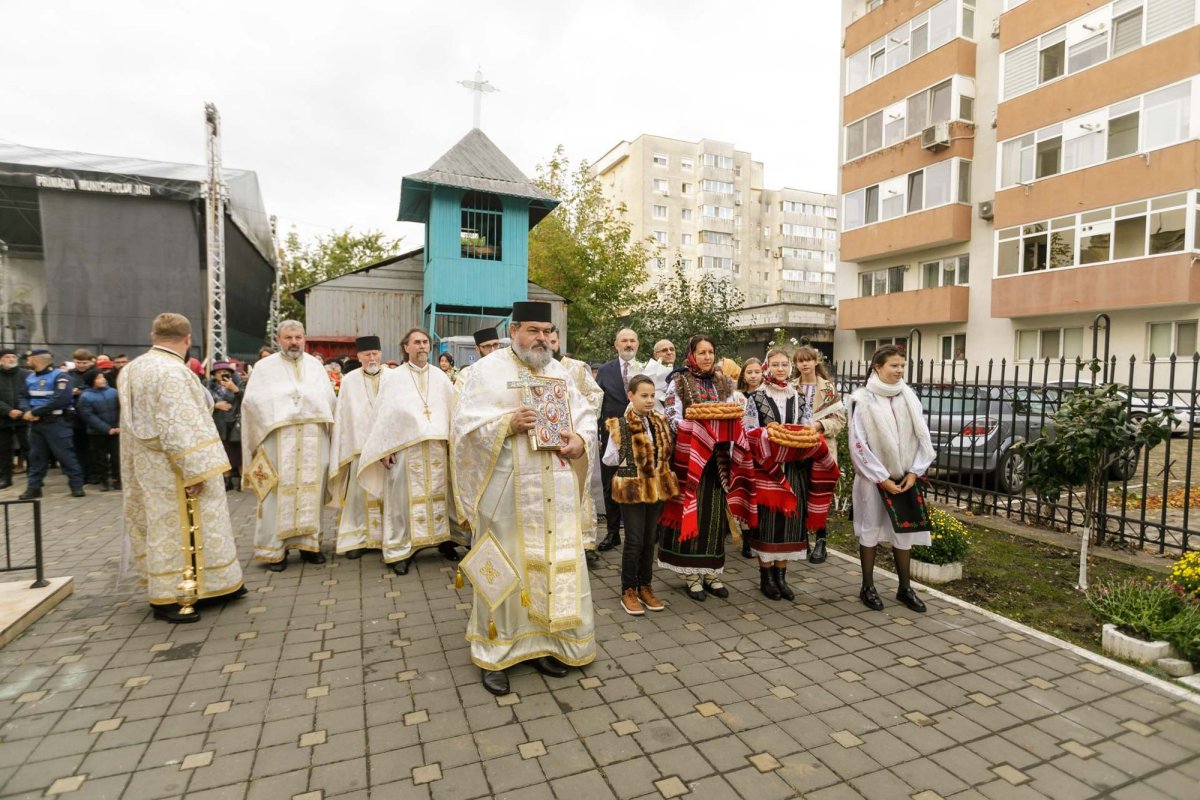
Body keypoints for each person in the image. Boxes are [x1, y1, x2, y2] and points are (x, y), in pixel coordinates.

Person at [452, 301, 597, 697]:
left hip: (554, 491)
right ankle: (495, 652)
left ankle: (546, 643)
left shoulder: (559, 372)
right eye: (533, 330)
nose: (542, 338)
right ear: (514, 331)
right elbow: (464, 430)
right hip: (505, 495)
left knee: (550, 564)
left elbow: (585, 417)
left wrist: (580, 440)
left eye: (547, 331)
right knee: (503, 569)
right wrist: (507, 423)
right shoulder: (486, 371)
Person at [119, 313, 245, 623]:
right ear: (188, 339)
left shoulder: (132, 368)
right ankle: (173, 596)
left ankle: (216, 585)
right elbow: (178, 426)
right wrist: (195, 471)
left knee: (161, 527)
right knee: (183, 526)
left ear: (153, 335)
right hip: (175, 467)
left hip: (146, 466)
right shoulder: (174, 372)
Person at [358, 329, 462, 574]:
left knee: (442, 496)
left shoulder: (440, 377)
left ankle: (444, 540)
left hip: (438, 448)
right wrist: (384, 448)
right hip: (406, 448)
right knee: (401, 501)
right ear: (406, 347)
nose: (422, 346)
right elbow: (383, 416)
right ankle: (400, 550)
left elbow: (453, 411)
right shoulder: (394, 378)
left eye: (425, 342)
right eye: (416, 342)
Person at [241, 320, 337, 571]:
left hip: (312, 438)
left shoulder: (315, 365)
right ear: (278, 339)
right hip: (277, 438)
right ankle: (275, 550)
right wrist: (285, 408)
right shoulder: (264, 368)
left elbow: (328, 399)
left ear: (304, 338)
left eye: (298, 337)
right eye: (288, 338)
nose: (294, 342)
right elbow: (252, 403)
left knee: (311, 491)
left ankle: (309, 546)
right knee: (276, 492)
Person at [847, 345, 935, 613]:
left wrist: (914, 471)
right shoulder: (862, 400)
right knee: (870, 529)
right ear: (878, 367)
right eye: (894, 366)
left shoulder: (908, 396)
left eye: (902, 366)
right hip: (873, 479)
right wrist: (880, 477)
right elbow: (858, 443)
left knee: (904, 532)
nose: (899, 371)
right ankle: (868, 586)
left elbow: (922, 436)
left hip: (905, 477)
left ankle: (905, 588)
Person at [658, 335, 738, 600]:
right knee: (691, 509)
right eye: (702, 352)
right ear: (692, 354)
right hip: (690, 455)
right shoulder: (679, 380)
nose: (707, 357)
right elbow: (672, 416)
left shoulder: (723, 381)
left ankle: (711, 573)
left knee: (714, 515)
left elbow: (731, 410)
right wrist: (697, 430)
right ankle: (691, 574)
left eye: (711, 352)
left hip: (718, 457)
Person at [602, 375, 678, 616]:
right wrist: (626, 447)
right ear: (630, 396)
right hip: (633, 489)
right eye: (644, 396)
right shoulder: (621, 424)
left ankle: (645, 586)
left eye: (652, 396)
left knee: (649, 539)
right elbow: (609, 459)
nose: (649, 400)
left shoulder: (660, 421)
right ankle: (628, 590)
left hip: (656, 488)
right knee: (634, 540)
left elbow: (666, 453)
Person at [742, 349, 811, 600]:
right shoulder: (756, 397)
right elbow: (748, 431)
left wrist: (797, 440)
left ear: (790, 367)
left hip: (793, 468)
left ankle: (781, 576)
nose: (780, 369)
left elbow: (808, 428)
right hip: (766, 467)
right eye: (775, 365)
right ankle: (766, 577)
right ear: (767, 368)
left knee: (790, 520)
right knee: (768, 521)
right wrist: (768, 438)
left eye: (784, 364)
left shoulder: (799, 397)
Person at [329, 336, 388, 562]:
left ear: (380, 354)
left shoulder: (393, 377)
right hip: (359, 448)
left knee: (388, 495)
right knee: (357, 496)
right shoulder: (349, 381)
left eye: (375, 353)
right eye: (367, 354)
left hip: (387, 449)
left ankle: (387, 538)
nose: (372, 358)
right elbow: (343, 416)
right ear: (359, 357)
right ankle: (357, 539)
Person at [548, 326, 603, 564]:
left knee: (581, 489)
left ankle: (585, 543)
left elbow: (595, 396)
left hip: (575, 436)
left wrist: (577, 420)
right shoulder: (534, 368)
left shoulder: (577, 367)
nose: (549, 345)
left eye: (552, 341)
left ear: (558, 341)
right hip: (548, 440)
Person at [793, 346, 846, 564]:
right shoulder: (791, 387)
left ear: (816, 361)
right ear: (796, 365)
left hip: (822, 450)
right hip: (797, 450)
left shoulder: (828, 389)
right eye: (800, 361)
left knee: (820, 495)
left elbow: (840, 420)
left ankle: (821, 540)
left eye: (808, 360)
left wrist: (819, 425)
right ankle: (803, 539)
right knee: (801, 494)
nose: (805, 364)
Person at [594, 328, 643, 551]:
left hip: (639, 436)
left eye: (632, 340)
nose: (628, 344)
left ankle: (638, 534)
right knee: (610, 485)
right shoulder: (605, 370)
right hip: (611, 436)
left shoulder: (646, 369)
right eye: (624, 340)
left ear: (638, 344)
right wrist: (598, 434)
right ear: (616, 344)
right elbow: (598, 403)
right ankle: (613, 533)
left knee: (636, 484)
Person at [18, 349, 85, 499]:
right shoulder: (30, 378)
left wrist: (35, 412)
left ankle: (76, 486)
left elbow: (60, 400)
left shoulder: (61, 377)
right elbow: (22, 396)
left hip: (57, 423)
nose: (27, 361)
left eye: (29, 359)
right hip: (36, 425)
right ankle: (34, 488)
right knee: (36, 457)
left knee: (66, 456)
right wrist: (27, 411)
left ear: (37, 360)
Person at [77, 371, 121, 491]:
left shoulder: (113, 392)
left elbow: (121, 409)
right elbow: (89, 416)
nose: (103, 379)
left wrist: (118, 426)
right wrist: (107, 429)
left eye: (102, 377)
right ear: (92, 381)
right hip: (97, 432)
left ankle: (117, 479)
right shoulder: (85, 397)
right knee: (100, 458)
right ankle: (104, 480)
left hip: (116, 430)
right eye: (98, 378)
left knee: (116, 457)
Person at [208, 361, 244, 491]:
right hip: (218, 423)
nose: (222, 374)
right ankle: (226, 480)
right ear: (214, 375)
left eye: (225, 372)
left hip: (235, 423)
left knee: (238, 453)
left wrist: (235, 389)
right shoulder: (209, 388)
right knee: (222, 452)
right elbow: (201, 403)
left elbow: (247, 400)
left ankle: (242, 480)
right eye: (218, 372)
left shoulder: (239, 384)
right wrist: (215, 406)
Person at [0, 349, 30, 489]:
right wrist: (8, 411)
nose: (11, 359)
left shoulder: (26, 374)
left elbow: (31, 394)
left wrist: (23, 410)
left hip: (24, 417)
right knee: (4, 450)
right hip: (2, 418)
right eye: (7, 357)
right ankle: (5, 477)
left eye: (13, 356)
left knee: (29, 447)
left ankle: (34, 477)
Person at [67, 348, 97, 483]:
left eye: (84, 363)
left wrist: (81, 392)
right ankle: (83, 474)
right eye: (78, 362)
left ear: (90, 362)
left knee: (94, 447)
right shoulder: (69, 375)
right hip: (75, 416)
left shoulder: (96, 373)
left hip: (93, 414)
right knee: (79, 447)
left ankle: (94, 473)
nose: (81, 365)